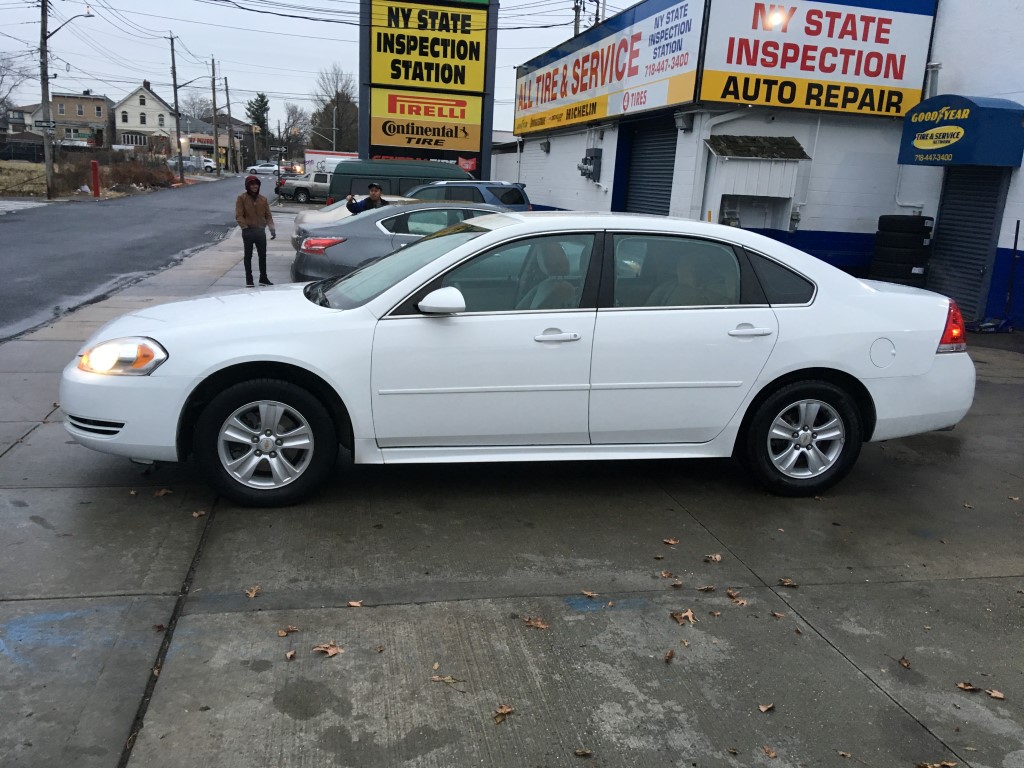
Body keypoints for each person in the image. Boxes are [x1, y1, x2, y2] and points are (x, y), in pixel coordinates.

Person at [235, 174, 276, 287]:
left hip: (260, 231)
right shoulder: (241, 198)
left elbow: (268, 215)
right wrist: (244, 227)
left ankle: (263, 278)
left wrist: (272, 229)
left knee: (262, 255)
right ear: (248, 186)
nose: (254, 186)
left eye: (256, 184)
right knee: (248, 256)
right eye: (252, 184)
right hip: (248, 231)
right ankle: (249, 280)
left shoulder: (263, 199)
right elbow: (239, 215)